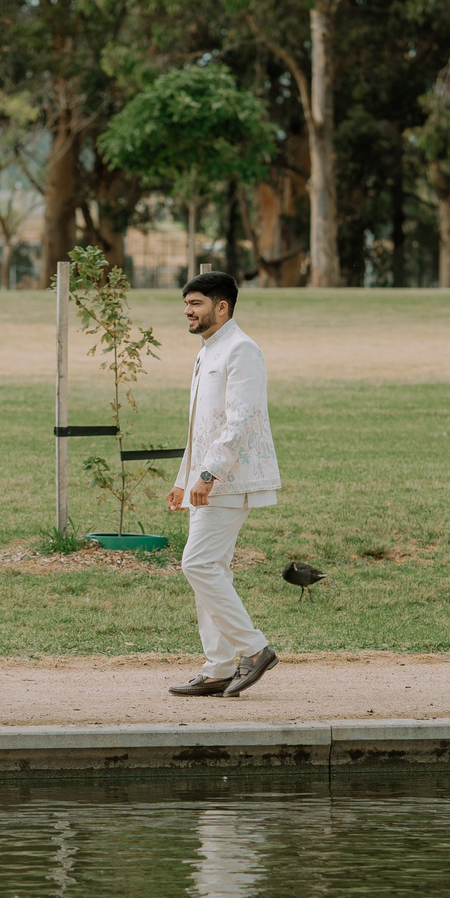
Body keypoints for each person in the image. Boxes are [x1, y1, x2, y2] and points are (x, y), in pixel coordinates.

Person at [166, 271, 280, 698]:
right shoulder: (208, 352)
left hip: (230, 481)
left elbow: (239, 420)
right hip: (207, 481)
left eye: (195, 303)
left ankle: (255, 649)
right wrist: (185, 479)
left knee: (196, 565)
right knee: (212, 571)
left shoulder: (242, 350)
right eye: (186, 304)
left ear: (222, 307)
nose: (187, 311)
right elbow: (201, 427)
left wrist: (209, 473)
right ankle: (216, 669)